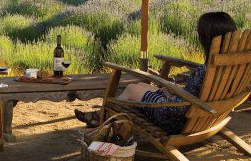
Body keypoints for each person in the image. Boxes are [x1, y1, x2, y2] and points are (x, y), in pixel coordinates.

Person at [75, 11, 238, 134]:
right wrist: (174, 91)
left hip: (175, 119)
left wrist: (169, 95)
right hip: (204, 116)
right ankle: (99, 116)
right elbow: (196, 96)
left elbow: (181, 108)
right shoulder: (232, 66)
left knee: (131, 90)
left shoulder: (205, 70)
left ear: (207, 38)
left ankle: (101, 123)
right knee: (140, 85)